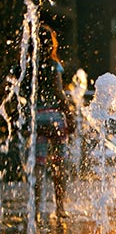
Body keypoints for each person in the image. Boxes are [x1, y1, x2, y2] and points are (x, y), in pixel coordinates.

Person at [34, 25, 75, 221]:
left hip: (37, 118)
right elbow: (59, 93)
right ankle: (59, 207)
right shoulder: (53, 65)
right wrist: (70, 115)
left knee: (38, 165)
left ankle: (34, 208)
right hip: (55, 120)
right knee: (59, 166)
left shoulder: (29, 65)